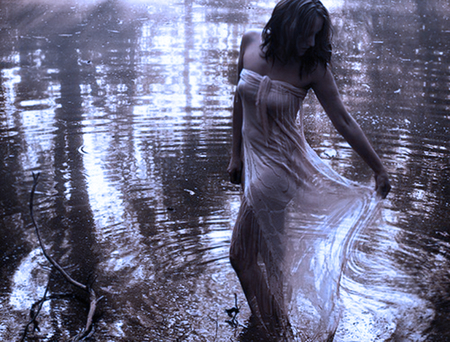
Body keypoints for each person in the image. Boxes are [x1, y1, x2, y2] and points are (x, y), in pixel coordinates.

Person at [227, 0, 391, 340]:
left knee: (240, 257)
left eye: (317, 36)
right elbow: (238, 98)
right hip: (254, 166)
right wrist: (236, 155)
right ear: (285, 24)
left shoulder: (311, 68)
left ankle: (277, 331)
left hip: (278, 173)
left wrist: (378, 168)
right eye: (305, 35)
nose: (310, 44)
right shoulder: (249, 41)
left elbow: (344, 120)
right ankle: (275, 321)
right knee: (273, 260)